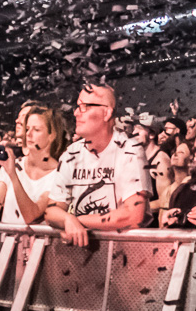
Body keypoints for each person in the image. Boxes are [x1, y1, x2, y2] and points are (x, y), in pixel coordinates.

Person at [42, 82, 152, 247]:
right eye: (77, 107)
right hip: (81, 252)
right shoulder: (71, 153)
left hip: (123, 252)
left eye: (84, 107)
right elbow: (51, 210)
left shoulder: (129, 151)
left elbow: (133, 215)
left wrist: (77, 221)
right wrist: (67, 219)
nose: (76, 113)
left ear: (106, 113)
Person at [0, 107, 64, 225]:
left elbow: (31, 216)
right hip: (8, 236)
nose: (28, 134)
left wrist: (13, 176)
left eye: (36, 130)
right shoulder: (13, 165)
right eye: (27, 129)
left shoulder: (59, 175)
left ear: (52, 135)